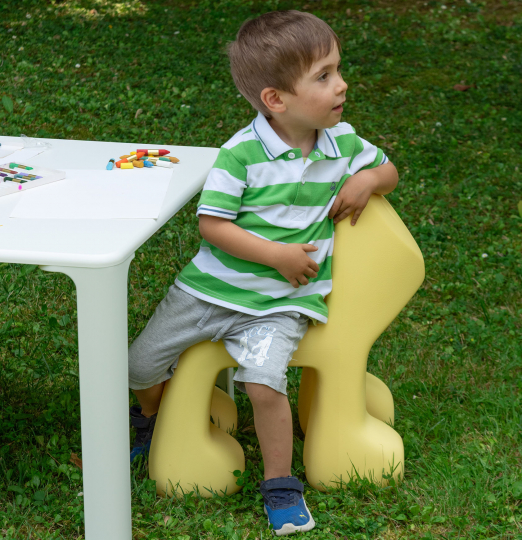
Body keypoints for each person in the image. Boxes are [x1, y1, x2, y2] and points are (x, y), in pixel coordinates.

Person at [128, 9, 399, 536]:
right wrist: (276, 254)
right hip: (208, 293)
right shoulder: (242, 154)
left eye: (338, 69)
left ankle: (280, 486)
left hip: (279, 305)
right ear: (276, 99)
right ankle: (151, 419)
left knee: (264, 383)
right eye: (324, 76)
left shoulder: (343, 143)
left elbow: (388, 169)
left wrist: (368, 180)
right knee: (139, 365)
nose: (342, 84)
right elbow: (212, 225)